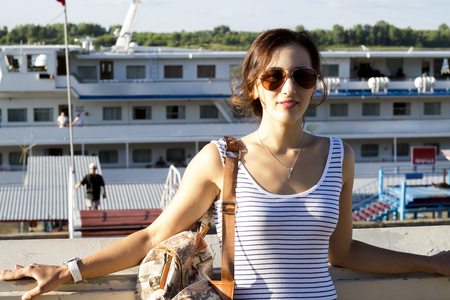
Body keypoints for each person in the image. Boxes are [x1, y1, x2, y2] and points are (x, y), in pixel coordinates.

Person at [1, 28, 449, 300]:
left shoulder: (339, 156)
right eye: (273, 77)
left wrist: (432, 264)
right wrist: (66, 271)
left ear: (316, 86)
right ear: (255, 87)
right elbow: (155, 235)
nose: (287, 87)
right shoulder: (223, 158)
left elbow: (343, 252)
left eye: (302, 76)